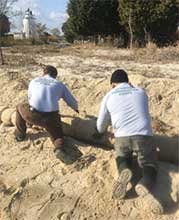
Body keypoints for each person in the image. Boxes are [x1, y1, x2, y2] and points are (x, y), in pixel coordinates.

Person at [94, 69, 163, 213]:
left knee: (122, 158)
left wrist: (103, 131)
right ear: (128, 81)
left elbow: (100, 126)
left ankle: (124, 170)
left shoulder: (109, 96)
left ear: (112, 84)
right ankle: (145, 182)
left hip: (121, 137)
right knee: (149, 163)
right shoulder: (141, 92)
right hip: (143, 135)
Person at [15, 65, 79, 163]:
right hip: (51, 118)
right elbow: (71, 101)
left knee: (19, 107)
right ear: (55, 76)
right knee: (58, 136)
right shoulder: (59, 84)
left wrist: (30, 120)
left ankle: (20, 134)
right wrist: (76, 109)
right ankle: (59, 148)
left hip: (32, 115)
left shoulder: (34, 81)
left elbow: (30, 98)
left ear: (44, 73)